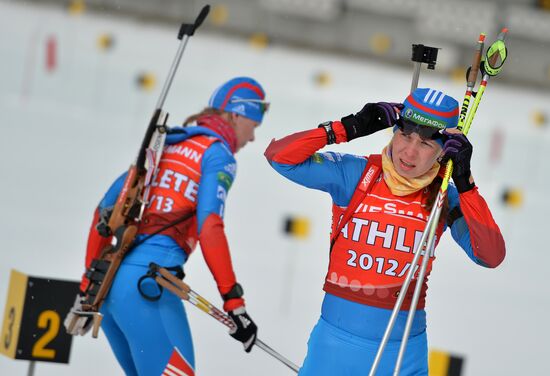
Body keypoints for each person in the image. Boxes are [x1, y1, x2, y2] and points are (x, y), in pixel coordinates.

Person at [264, 88, 505, 375]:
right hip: (334, 348)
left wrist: (466, 185)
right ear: (393, 131)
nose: (410, 151)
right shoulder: (356, 174)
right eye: (405, 135)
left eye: (427, 143)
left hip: (401, 355)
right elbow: (279, 157)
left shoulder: (445, 196)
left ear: (444, 150)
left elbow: (490, 255)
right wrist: (347, 128)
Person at [64, 77, 269, 376]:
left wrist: (87, 288)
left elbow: (103, 214)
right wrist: (233, 301)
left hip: (109, 287)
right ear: (236, 114)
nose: (251, 138)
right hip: (148, 288)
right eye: (254, 125)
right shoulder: (217, 154)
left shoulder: (167, 144)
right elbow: (210, 226)